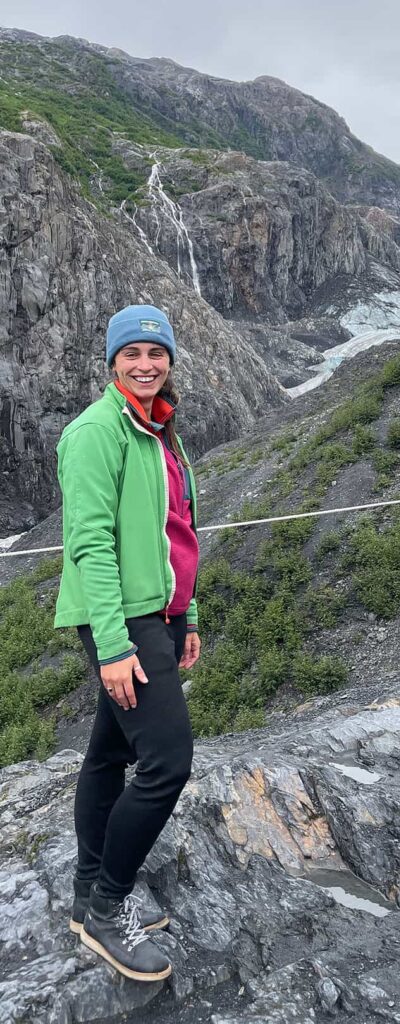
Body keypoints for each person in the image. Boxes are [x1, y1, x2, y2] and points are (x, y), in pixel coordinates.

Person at [53, 304, 201, 983]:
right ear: (111, 361)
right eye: (132, 353)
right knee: (166, 762)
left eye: (156, 351)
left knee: (110, 753)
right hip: (122, 619)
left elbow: (177, 528)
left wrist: (187, 615)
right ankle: (106, 910)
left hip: (159, 614)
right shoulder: (95, 433)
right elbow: (89, 544)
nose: (145, 363)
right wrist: (113, 646)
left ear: (170, 359)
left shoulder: (158, 430)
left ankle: (88, 892)